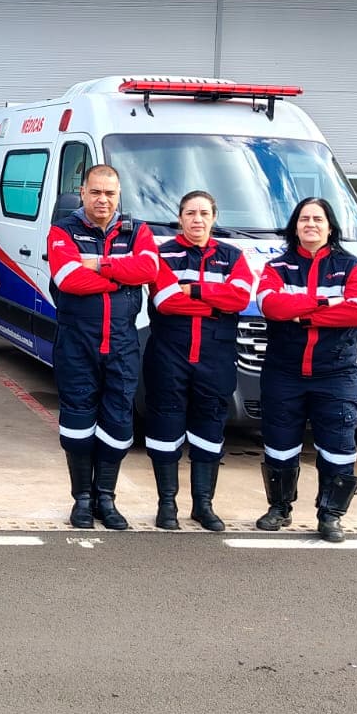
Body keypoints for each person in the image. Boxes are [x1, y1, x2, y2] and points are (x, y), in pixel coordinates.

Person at [47, 164, 160, 530]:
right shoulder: (63, 230)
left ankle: (105, 498)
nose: (102, 200)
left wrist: (98, 264)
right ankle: (82, 499)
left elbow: (149, 270)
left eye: (110, 193)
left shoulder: (137, 231)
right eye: (95, 192)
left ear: (119, 195)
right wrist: (120, 279)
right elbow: (68, 278)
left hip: (122, 344)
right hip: (76, 343)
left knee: (118, 422)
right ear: (82, 192)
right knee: (78, 422)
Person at [255, 197, 357, 542]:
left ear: (330, 226)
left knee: (338, 446)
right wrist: (326, 303)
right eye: (304, 219)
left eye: (318, 219)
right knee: (279, 444)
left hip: (335, 373)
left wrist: (304, 315)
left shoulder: (352, 267)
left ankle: (330, 515)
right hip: (284, 372)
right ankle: (279, 508)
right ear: (295, 227)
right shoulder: (277, 267)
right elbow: (271, 305)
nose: (310, 224)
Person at [144, 190, 255, 531]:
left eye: (204, 213)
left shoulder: (232, 256)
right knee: (164, 430)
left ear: (214, 217)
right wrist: (215, 306)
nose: (197, 219)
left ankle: (203, 505)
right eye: (190, 213)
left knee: (209, 430)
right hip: (169, 356)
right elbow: (165, 300)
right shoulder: (162, 254)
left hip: (215, 359)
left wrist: (193, 290)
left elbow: (239, 298)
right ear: (180, 218)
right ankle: (166, 504)